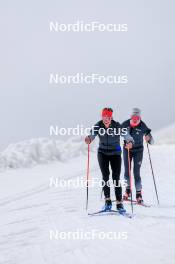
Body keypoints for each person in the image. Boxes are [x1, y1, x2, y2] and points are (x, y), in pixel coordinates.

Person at [85, 107, 133, 211]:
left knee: (116, 177)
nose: (105, 119)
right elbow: (92, 134)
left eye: (107, 117)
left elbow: (126, 135)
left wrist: (129, 142)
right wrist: (89, 138)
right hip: (102, 153)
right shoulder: (98, 125)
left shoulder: (117, 126)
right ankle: (107, 201)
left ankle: (119, 203)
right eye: (103, 116)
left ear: (111, 118)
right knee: (105, 176)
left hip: (115, 153)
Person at [122, 108, 154, 204]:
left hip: (138, 151)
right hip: (127, 150)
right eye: (133, 116)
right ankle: (128, 191)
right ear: (130, 116)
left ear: (139, 117)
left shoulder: (143, 125)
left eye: (137, 117)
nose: (135, 118)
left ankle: (139, 194)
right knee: (127, 171)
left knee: (136, 172)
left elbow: (152, 141)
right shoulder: (125, 124)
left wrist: (149, 138)